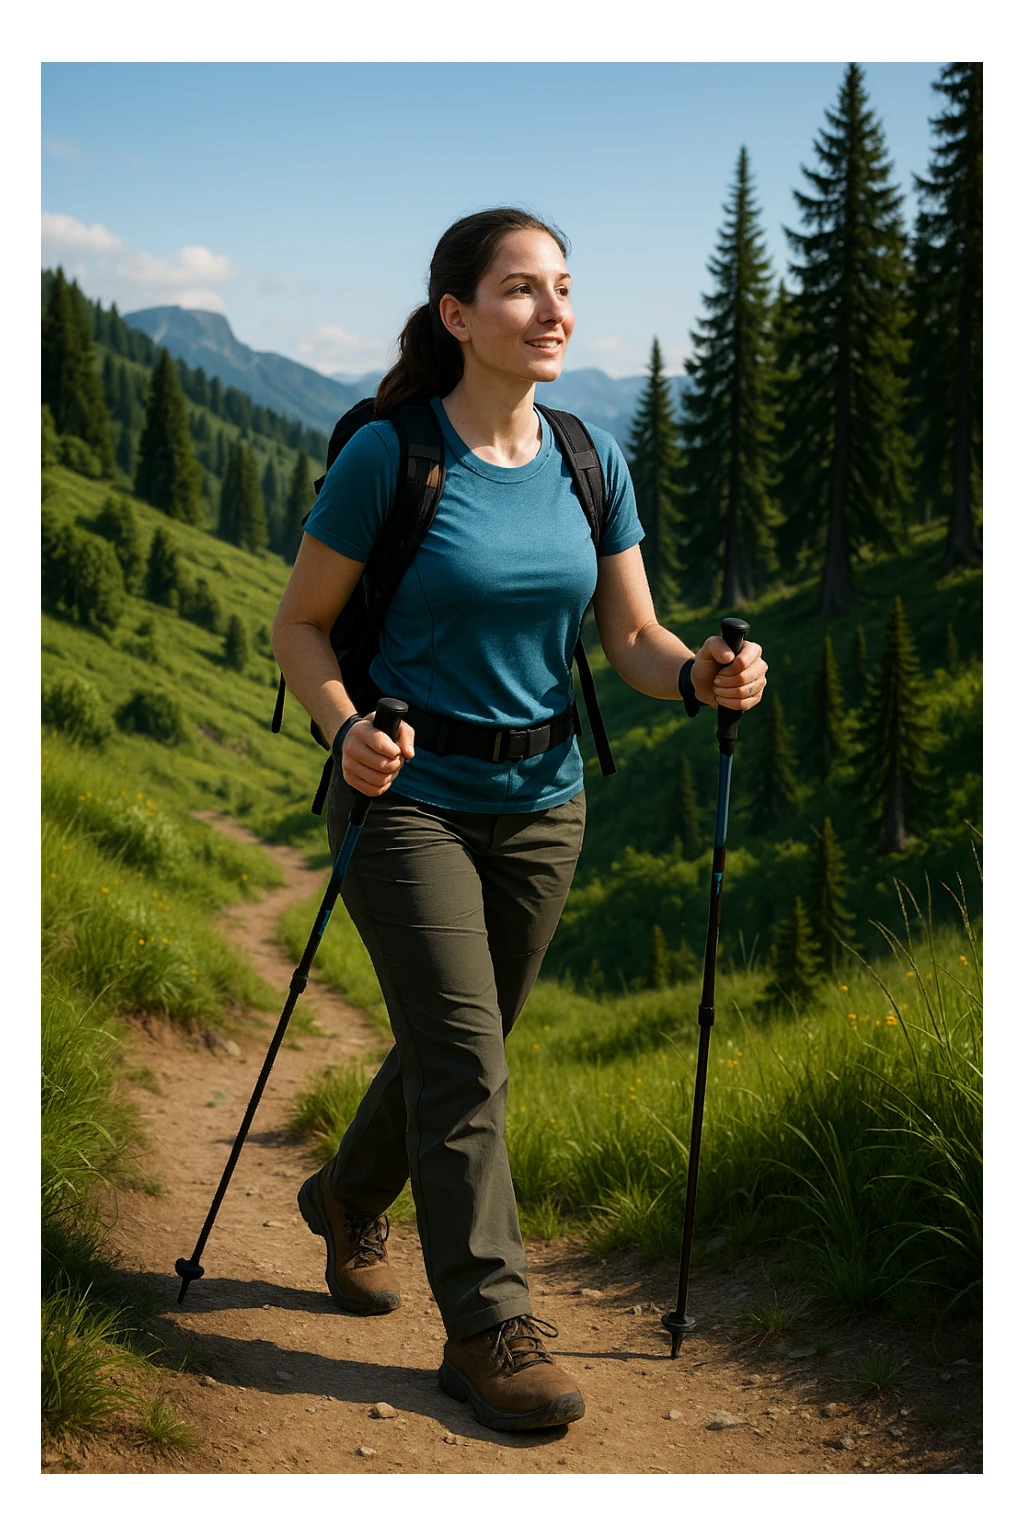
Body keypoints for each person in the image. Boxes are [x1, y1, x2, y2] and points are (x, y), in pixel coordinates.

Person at [272, 207, 768, 1433]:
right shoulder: (391, 455)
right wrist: (346, 733)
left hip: (546, 800)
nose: (553, 311)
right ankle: (490, 1327)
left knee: (467, 1042)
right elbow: (301, 626)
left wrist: (699, 672)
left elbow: (634, 640)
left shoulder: (590, 458)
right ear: (455, 317)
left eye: (561, 288)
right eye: (519, 291)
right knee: (467, 1057)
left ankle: (344, 1195)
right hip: (406, 796)